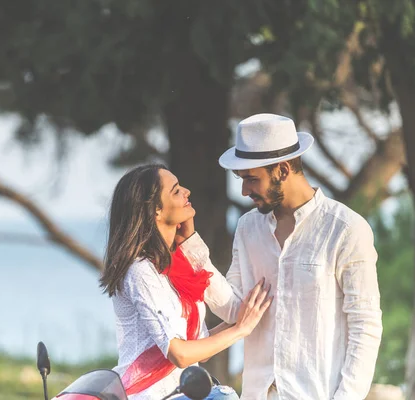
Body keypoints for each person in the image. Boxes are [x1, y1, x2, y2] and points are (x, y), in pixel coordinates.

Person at [178, 114, 383, 399]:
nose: (243, 190)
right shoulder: (248, 228)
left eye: (251, 179)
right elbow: (234, 310)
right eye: (241, 179)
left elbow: (365, 327)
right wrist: (190, 245)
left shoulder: (346, 230)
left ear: (283, 170)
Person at [99, 164, 272, 400]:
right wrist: (241, 329)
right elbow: (180, 354)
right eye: (176, 190)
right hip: (151, 395)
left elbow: (221, 322)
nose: (187, 192)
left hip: (183, 394)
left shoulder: (177, 262)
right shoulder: (140, 271)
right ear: (155, 211)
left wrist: (191, 243)